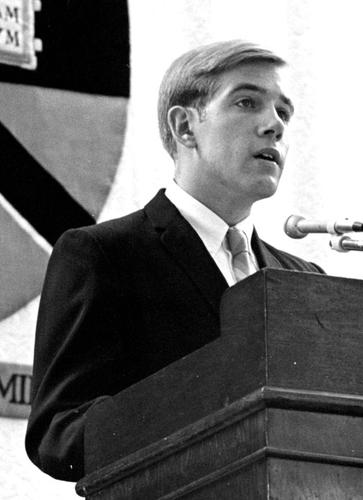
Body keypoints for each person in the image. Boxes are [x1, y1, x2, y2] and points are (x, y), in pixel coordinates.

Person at [25, 40, 324, 482]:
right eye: (247, 102)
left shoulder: (304, 280)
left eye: (284, 111)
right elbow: (58, 434)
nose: (274, 126)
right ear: (185, 126)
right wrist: (199, 400)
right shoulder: (104, 254)